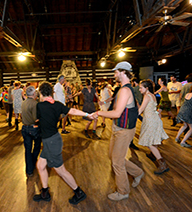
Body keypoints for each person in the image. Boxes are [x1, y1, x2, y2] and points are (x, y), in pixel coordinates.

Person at [92, 61, 144, 201]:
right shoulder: (124, 89)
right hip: (119, 128)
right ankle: (138, 172)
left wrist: (99, 113)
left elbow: (116, 113)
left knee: (117, 162)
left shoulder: (126, 90)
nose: (114, 74)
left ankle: (123, 192)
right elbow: (136, 107)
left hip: (123, 130)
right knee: (113, 156)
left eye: (116, 72)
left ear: (123, 72)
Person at [33, 81, 92, 204]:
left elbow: (37, 119)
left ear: (41, 93)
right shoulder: (58, 104)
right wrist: (88, 114)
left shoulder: (40, 106)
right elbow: (73, 111)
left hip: (51, 142)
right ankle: (45, 192)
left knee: (61, 171)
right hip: (52, 140)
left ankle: (78, 192)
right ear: (51, 93)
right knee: (40, 166)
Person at [138, 79, 169, 174]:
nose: (139, 89)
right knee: (152, 139)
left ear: (146, 88)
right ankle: (153, 154)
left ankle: (162, 164)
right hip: (154, 119)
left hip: (151, 120)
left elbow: (141, 110)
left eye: (141, 87)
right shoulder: (152, 95)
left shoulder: (147, 96)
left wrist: (130, 118)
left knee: (149, 142)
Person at [21, 86, 41, 177]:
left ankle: (29, 170)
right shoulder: (35, 104)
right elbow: (35, 119)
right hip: (34, 129)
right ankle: (33, 163)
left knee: (27, 150)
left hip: (24, 128)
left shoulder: (23, 103)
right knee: (37, 146)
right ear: (34, 94)